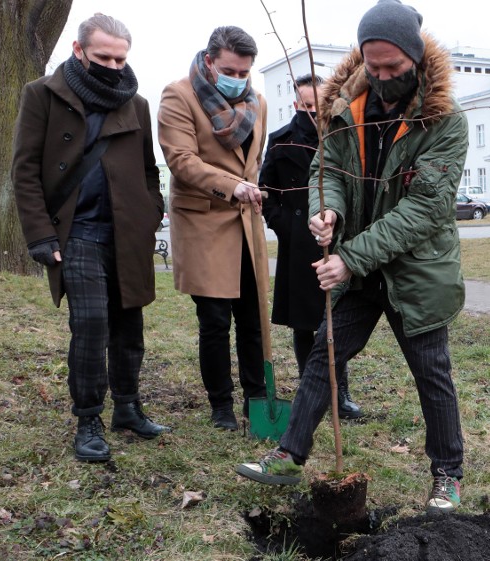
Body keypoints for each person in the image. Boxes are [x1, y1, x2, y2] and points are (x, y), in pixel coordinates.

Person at [237, 0, 469, 515]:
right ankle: (289, 453)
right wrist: (329, 215)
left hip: (417, 269)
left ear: (414, 57)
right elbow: (330, 171)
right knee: (325, 353)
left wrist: (352, 257)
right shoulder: (346, 111)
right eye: (374, 66)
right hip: (359, 267)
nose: (383, 77)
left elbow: (424, 210)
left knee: (432, 373)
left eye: (394, 67)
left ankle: (447, 475)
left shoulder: (445, 121)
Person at [12, 13, 170, 463]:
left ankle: (127, 408)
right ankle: (88, 419)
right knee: (91, 326)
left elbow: (147, 169)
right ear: (80, 50)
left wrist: (150, 213)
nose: (114, 66)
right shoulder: (42, 95)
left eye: (121, 58)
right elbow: (24, 171)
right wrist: (40, 234)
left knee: (129, 327)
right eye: (104, 56)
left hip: (126, 234)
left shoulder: (135, 103)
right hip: (75, 232)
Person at [157, 26, 268, 431]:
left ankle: (257, 399)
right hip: (204, 222)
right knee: (216, 321)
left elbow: (253, 161)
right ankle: (221, 404)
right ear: (209, 60)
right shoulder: (179, 96)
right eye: (229, 70)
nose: (237, 79)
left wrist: (253, 188)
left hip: (246, 226)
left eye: (244, 72)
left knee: (254, 321)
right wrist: (232, 186)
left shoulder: (260, 103)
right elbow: (181, 159)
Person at [259, 74, 363, 420]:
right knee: (305, 324)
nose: (311, 112)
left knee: (336, 321)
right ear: (295, 104)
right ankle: (313, 390)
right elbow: (267, 192)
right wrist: (285, 226)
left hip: (337, 241)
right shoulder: (280, 141)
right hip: (298, 244)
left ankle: (341, 392)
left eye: (317, 106)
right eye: (305, 106)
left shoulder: (341, 137)